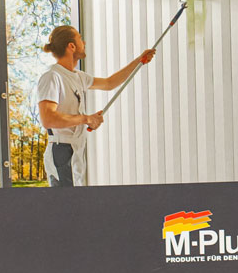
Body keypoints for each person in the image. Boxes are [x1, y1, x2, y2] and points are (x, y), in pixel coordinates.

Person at [33, 25, 155, 188]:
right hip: (61, 150)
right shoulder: (52, 77)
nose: (84, 43)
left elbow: (109, 83)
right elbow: (48, 119)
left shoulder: (78, 77)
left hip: (75, 149)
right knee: (66, 202)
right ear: (71, 46)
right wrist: (87, 119)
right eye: (80, 39)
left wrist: (139, 61)